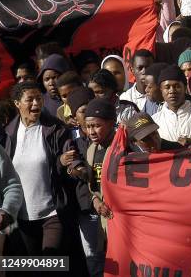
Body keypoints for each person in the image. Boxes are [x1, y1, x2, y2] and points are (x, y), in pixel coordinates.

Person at [5, 82, 73, 258]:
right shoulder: (8, 134)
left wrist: (64, 161)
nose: (36, 104)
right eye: (30, 99)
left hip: (52, 213)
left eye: (39, 99)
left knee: (51, 262)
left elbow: (68, 156)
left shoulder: (55, 129)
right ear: (17, 103)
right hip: (22, 218)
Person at [65, 98, 115, 277]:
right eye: (88, 126)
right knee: (95, 259)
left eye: (96, 126)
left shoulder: (122, 147)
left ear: (111, 123)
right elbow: (91, 182)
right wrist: (94, 199)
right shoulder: (91, 149)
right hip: (98, 210)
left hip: (118, 214)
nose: (91, 131)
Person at [152, 65, 191, 145]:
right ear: (161, 90)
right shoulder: (155, 121)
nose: (172, 91)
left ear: (185, 88)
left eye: (177, 86)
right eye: (167, 87)